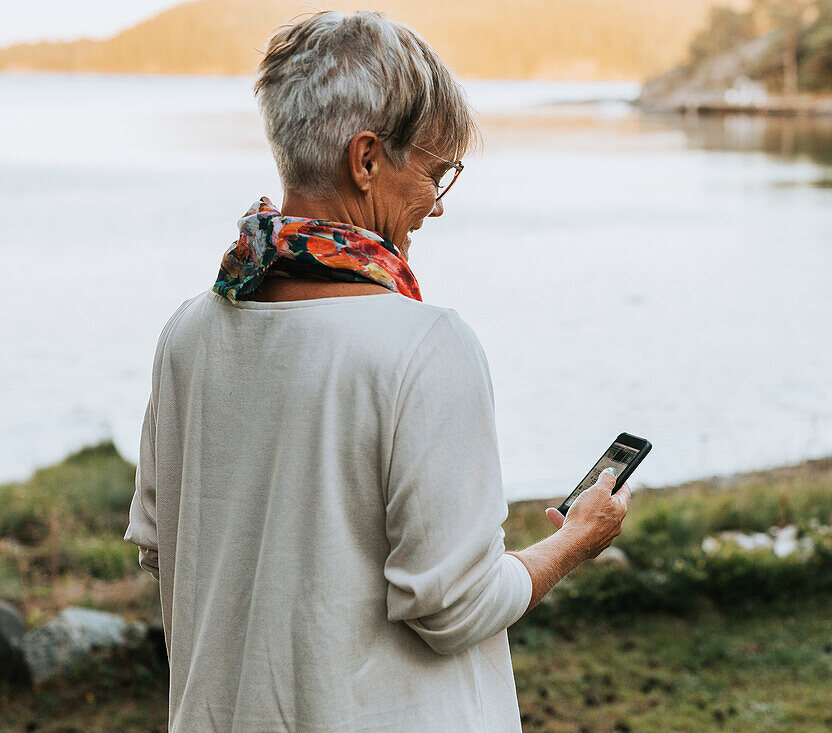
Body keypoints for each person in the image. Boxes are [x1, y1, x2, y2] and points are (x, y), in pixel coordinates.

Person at [122, 9, 632, 732]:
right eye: (433, 171)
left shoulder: (188, 331)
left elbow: (159, 547)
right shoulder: (425, 345)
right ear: (366, 161)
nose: (436, 205)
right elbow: (454, 605)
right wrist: (576, 537)